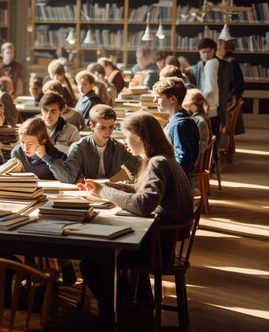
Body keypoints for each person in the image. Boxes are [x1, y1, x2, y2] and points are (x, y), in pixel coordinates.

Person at [80, 112, 194, 305]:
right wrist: (106, 186)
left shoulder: (157, 163)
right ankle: (138, 301)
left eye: (126, 137)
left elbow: (143, 205)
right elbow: (139, 189)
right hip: (163, 242)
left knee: (90, 263)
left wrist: (103, 193)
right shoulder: (163, 158)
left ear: (140, 136)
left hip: (157, 248)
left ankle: (121, 307)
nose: (124, 142)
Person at [60, 105, 141, 183]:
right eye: (102, 127)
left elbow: (136, 170)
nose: (108, 132)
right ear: (92, 125)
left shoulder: (120, 148)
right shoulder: (78, 148)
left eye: (111, 127)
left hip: (110, 191)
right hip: (85, 190)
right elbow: (71, 177)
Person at [153, 77, 199, 177]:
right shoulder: (185, 118)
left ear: (172, 99)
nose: (154, 100)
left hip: (178, 180)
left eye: (158, 97)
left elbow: (184, 159)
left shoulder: (179, 125)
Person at [191, 38, 221, 154]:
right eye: (203, 52)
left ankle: (208, 164)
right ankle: (213, 162)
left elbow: (210, 89)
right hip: (214, 107)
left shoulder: (210, 64)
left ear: (214, 51)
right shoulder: (211, 63)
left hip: (210, 108)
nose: (206, 55)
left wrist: (197, 100)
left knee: (207, 137)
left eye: (208, 52)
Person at [217, 39, 245, 134]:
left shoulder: (231, 62)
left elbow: (238, 82)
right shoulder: (217, 62)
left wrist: (232, 95)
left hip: (230, 96)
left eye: (220, 48)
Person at [183, 89, 211, 157]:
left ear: (192, 105)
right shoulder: (200, 117)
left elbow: (202, 145)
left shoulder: (200, 121)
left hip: (194, 161)